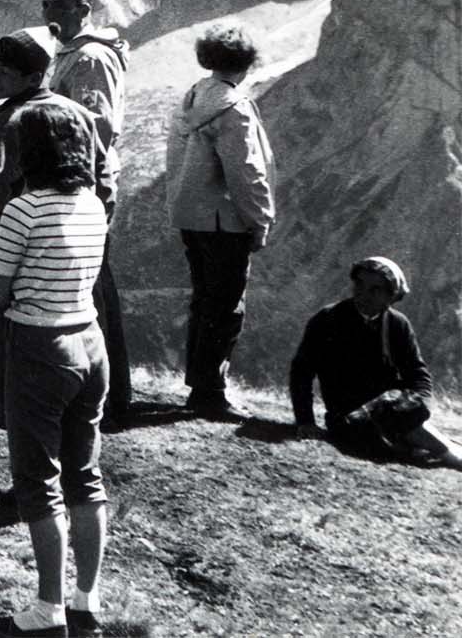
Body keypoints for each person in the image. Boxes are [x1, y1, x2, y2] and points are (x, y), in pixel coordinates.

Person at [0, 101, 113, 638]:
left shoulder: (23, 209)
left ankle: (47, 608)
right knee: (85, 475)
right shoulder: (92, 203)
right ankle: (87, 598)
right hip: (90, 340)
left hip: (39, 344)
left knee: (39, 481)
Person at [0, 30, 107, 409]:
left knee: (13, 327)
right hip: (75, 237)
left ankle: (12, 405)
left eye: (4, 72)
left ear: (32, 78)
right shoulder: (78, 113)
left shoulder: (8, 122)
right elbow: (102, 173)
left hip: (20, 237)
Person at [166, 23, 277, 418]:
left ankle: (201, 383)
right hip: (224, 221)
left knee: (204, 301)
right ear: (246, 62)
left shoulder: (194, 97)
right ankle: (211, 392)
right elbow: (246, 173)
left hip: (191, 215)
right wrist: (260, 219)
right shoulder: (234, 109)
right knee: (227, 306)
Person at [41, 0, 133, 423]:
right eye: (46, 5)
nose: (50, 14)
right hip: (71, 177)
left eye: (60, 5)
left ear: (83, 8)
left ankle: (107, 394)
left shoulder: (92, 58)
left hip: (85, 179)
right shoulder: (70, 54)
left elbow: (99, 124)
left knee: (90, 283)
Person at [289, 257, 462, 468]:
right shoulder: (328, 319)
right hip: (347, 417)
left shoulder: (397, 324)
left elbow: (417, 374)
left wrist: (420, 404)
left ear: (391, 296)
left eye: (375, 289)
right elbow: (302, 372)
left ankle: (436, 448)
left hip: (393, 412)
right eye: (359, 285)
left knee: (398, 412)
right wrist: (305, 421)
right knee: (394, 428)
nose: (363, 294)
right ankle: (449, 454)